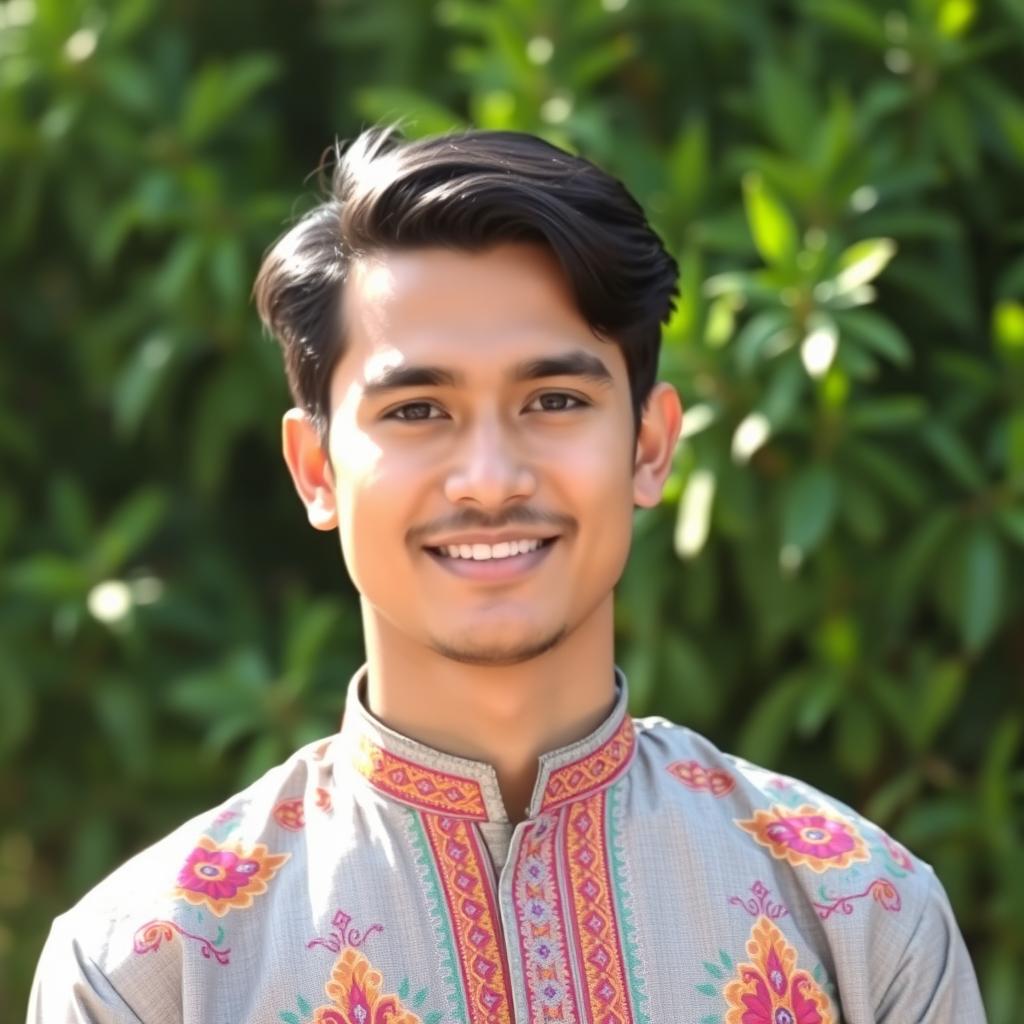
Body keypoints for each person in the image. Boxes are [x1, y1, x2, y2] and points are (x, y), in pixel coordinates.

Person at [28, 126, 986, 1024]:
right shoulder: (150, 969)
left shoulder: (862, 912)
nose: (489, 480)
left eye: (555, 399)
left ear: (649, 447)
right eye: (416, 411)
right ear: (316, 470)